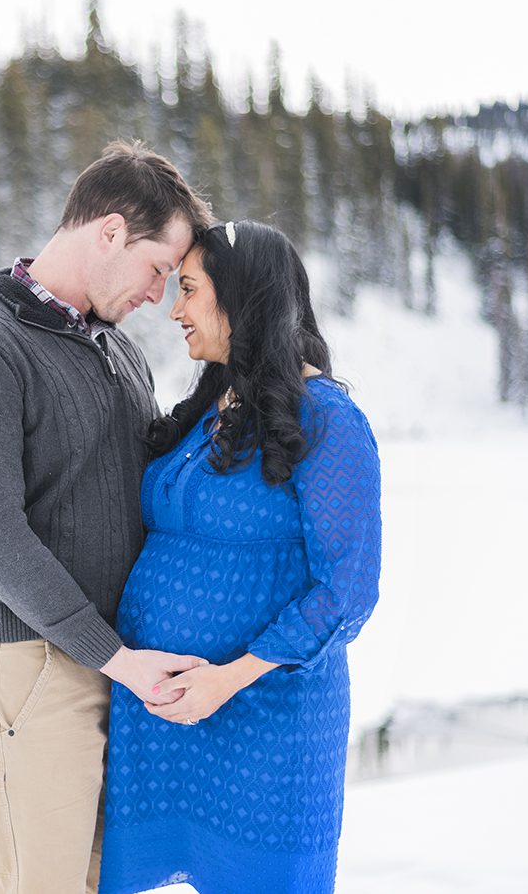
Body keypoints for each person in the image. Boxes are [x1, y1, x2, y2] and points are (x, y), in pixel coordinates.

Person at [0, 140, 214, 893]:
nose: (158, 294)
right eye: (158, 268)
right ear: (109, 231)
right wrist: (113, 656)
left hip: (103, 670)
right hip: (27, 675)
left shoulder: (117, 352)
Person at [98, 220, 383, 894]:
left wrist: (227, 678)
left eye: (190, 288)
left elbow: (347, 590)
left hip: (263, 726)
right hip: (161, 725)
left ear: (242, 296)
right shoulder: (212, 403)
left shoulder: (329, 420)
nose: (175, 308)